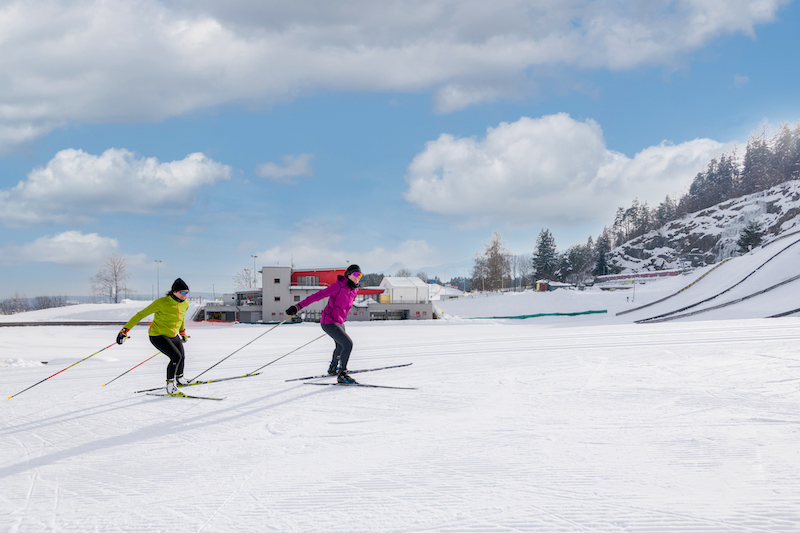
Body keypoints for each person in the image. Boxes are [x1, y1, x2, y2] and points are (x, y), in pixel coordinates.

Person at [286, 264, 362, 384]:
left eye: (360, 275)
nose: (358, 277)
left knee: (341, 346)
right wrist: (298, 306)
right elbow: (318, 295)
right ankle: (342, 374)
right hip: (329, 321)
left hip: (339, 321)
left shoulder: (355, 290)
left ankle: (333, 368)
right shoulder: (338, 286)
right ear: (348, 274)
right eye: (355, 274)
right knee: (348, 344)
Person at [116, 278, 191, 395]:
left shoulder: (185, 303)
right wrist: (124, 330)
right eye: (182, 292)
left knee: (182, 356)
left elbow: (181, 319)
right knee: (175, 357)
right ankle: (170, 385)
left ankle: (180, 378)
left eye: (187, 292)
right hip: (158, 335)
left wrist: (182, 333)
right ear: (174, 292)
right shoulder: (161, 302)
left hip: (172, 334)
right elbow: (140, 315)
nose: (185, 295)